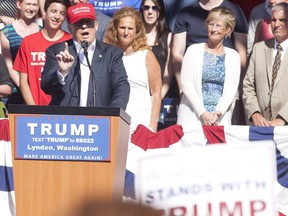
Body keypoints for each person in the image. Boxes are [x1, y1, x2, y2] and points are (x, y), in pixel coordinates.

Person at [171, 0, 247, 125]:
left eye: (218, 26)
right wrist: (203, 113)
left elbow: (231, 89)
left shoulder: (233, 56)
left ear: (227, 30)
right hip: (193, 115)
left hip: (220, 117)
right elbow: (187, 84)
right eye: (210, 25)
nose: (213, 29)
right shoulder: (193, 50)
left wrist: (218, 113)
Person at [41, 3, 130, 110]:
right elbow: (46, 87)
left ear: (96, 25)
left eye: (88, 22)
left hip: (100, 122)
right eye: (79, 23)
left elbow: (121, 86)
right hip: (65, 121)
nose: (84, 26)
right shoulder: (57, 51)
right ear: (70, 28)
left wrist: (113, 115)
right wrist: (61, 73)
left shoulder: (111, 54)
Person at [104, 6, 161, 133]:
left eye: (130, 28)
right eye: (122, 28)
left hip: (142, 120)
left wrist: (153, 125)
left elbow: (156, 94)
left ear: (137, 32)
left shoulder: (147, 55)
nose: (126, 32)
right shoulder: (107, 55)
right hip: (114, 119)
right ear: (115, 29)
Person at [12, 0, 72, 106]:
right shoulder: (28, 42)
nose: (57, 16)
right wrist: (32, 108)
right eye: (53, 11)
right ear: (45, 11)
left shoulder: (70, 42)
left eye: (62, 13)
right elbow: (23, 81)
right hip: (35, 107)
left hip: (62, 108)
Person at [243, 2, 288, 126]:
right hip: (261, 126)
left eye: (282, 20)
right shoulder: (258, 49)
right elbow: (248, 85)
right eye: (273, 20)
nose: (276, 24)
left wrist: (282, 118)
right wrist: (255, 113)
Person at [0, 0, 41, 105]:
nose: (31, 8)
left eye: (34, 5)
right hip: (15, 89)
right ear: (18, 5)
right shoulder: (6, 31)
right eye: (28, 4)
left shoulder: (42, 31)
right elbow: (9, 65)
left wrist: (34, 87)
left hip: (38, 89)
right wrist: (25, 88)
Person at [139, 0, 173, 99]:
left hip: (162, 97)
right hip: (139, 97)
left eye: (154, 8)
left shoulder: (169, 37)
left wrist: (158, 97)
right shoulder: (135, 37)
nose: (150, 12)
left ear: (160, 11)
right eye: (146, 7)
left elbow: (168, 72)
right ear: (142, 9)